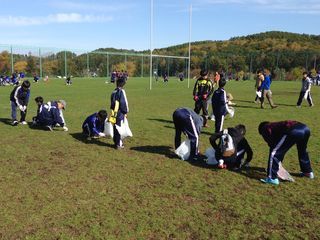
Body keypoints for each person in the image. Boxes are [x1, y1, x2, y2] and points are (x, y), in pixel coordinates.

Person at [258, 121, 314, 185]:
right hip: (305, 128)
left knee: (274, 153)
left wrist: (276, 164)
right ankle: (307, 172)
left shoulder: (265, 128)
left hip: (293, 130)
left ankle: (272, 178)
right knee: (302, 150)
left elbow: (273, 147)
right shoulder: (276, 126)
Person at [109, 76, 129, 149]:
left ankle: (116, 142)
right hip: (120, 112)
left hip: (114, 112)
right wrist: (125, 112)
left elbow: (112, 103)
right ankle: (119, 144)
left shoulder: (113, 91)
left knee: (115, 127)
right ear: (123, 84)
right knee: (119, 128)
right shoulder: (121, 91)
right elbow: (123, 102)